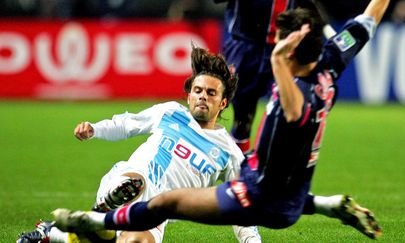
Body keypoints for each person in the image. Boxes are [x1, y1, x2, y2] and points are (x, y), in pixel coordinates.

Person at [52, 0, 389, 240]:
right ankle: (331, 204)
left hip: (256, 194)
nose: (201, 97)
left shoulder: (295, 93)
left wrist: (276, 61)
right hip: (291, 199)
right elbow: (369, 19)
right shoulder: (332, 60)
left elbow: (293, 110)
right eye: (197, 91)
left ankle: (87, 224)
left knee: (165, 203)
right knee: (147, 215)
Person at [17, 45, 262, 243]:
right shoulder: (170, 112)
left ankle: (64, 232)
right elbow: (127, 124)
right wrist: (95, 129)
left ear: (223, 103)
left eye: (211, 93)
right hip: (126, 178)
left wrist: (252, 240)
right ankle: (105, 212)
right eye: (198, 90)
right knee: (135, 183)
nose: (202, 96)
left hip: (155, 212)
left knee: (135, 242)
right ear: (188, 96)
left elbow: (239, 204)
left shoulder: (229, 152)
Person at [214, 0, 336, 152]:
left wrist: (327, 29)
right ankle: (237, 167)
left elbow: (309, 3)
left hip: (284, 49)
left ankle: (279, 164)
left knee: (290, 111)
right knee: (243, 117)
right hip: (245, 47)